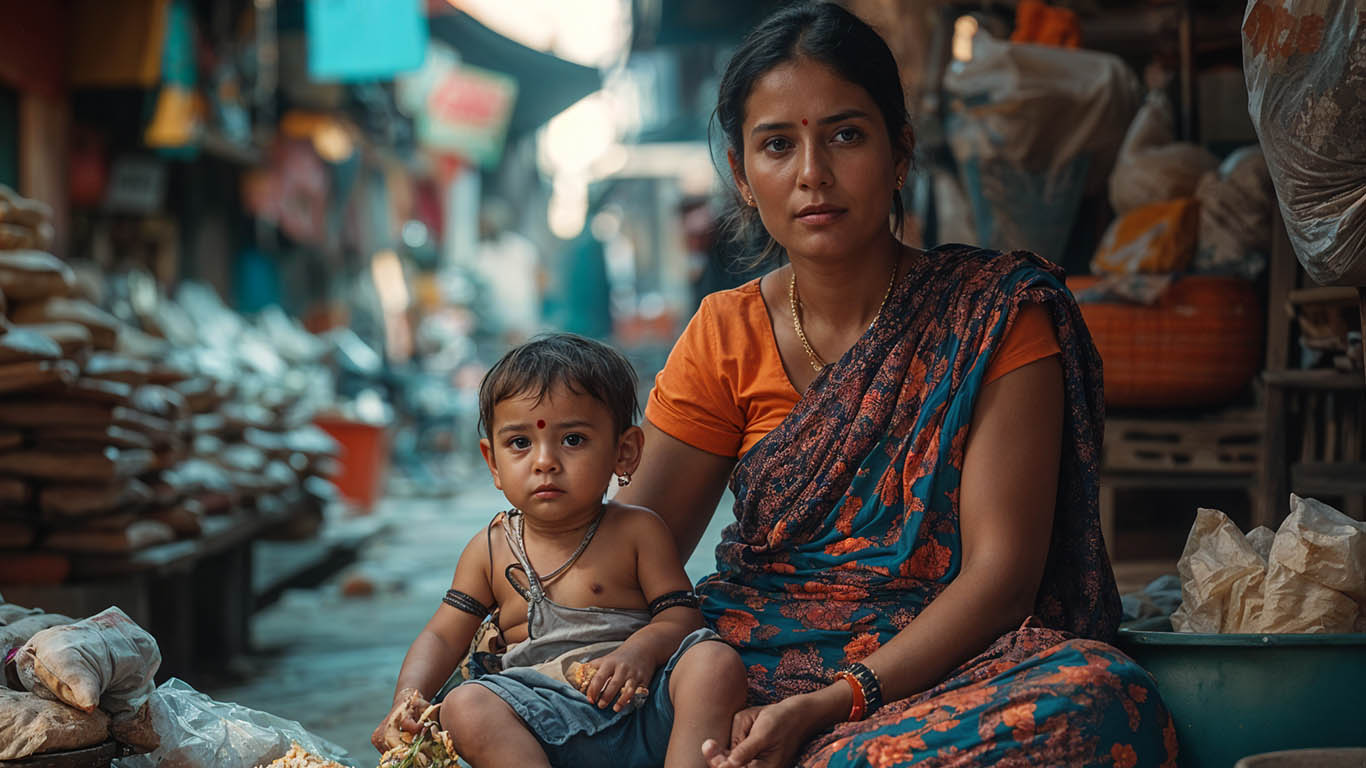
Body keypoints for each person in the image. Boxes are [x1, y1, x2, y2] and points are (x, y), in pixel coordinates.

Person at [615, 4, 1179, 766]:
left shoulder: (996, 315)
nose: (812, 173)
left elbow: (1001, 581)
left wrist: (834, 703)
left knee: (1104, 700)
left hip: (939, 674)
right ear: (743, 177)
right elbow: (627, 556)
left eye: (845, 135)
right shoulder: (726, 332)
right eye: (778, 145)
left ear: (900, 152)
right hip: (751, 669)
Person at [373, 333, 747, 768]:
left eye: (573, 440)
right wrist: (408, 697)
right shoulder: (491, 550)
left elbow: (682, 617)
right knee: (464, 706)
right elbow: (441, 635)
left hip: (641, 711)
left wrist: (639, 651)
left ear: (624, 452)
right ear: (493, 462)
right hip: (539, 723)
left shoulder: (638, 532)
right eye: (520, 443)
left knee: (714, 662)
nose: (544, 461)